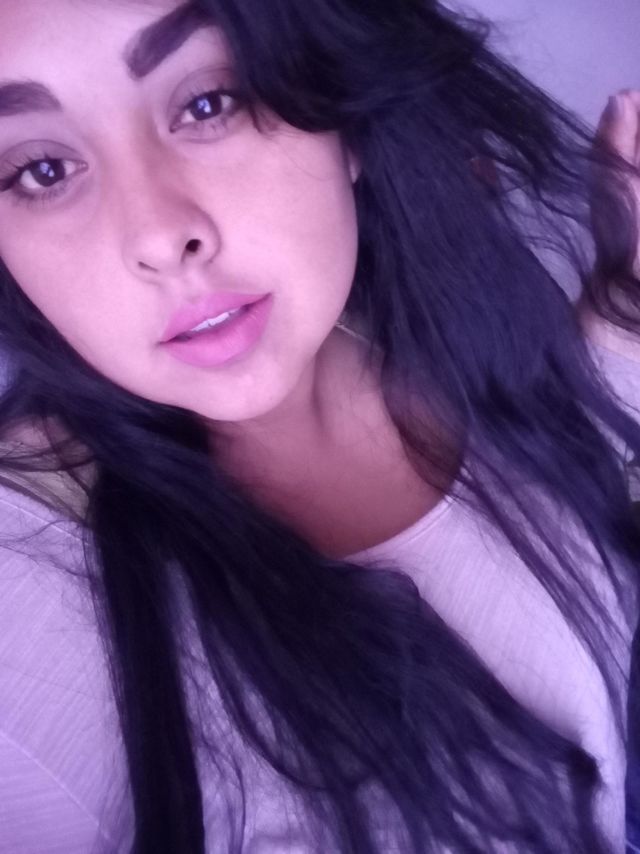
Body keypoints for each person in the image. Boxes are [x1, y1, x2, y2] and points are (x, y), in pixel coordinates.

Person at [0, 1, 638, 852]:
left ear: (342, 109)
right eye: (41, 170)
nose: (158, 235)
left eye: (208, 103)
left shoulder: (442, 326)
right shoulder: (26, 595)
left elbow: (573, 488)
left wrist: (625, 301)